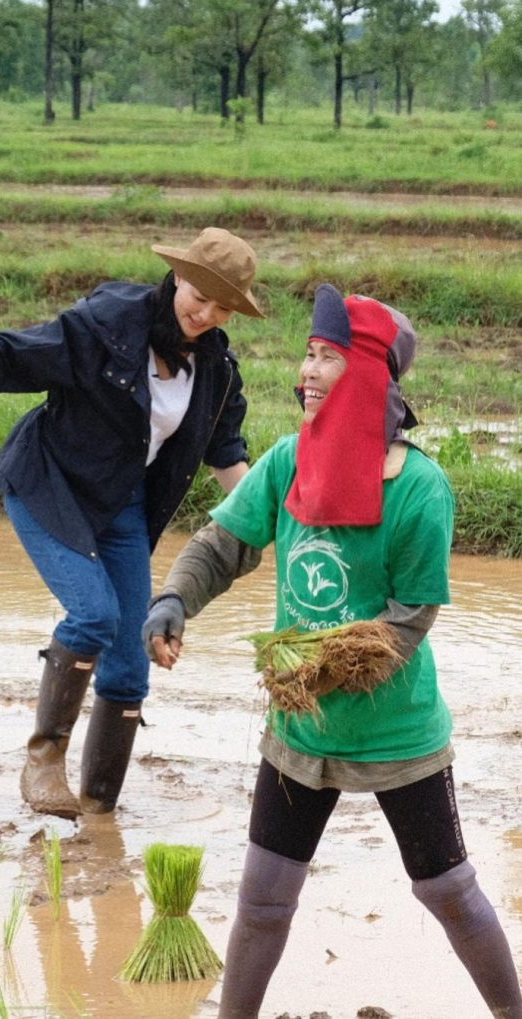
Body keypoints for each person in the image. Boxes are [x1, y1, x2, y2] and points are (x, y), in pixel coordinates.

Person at [142, 283, 522, 1019]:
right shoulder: (287, 461)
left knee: (445, 889)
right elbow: (224, 545)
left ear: (372, 375)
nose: (307, 371)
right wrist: (173, 599)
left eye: (328, 357)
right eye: (308, 355)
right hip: (299, 733)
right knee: (262, 901)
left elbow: (410, 619)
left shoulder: (420, 490)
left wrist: (318, 667)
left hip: (397, 732)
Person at [0, 227, 264, 821]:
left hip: (123, 505)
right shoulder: (111, 323)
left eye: (221, 306)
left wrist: (270, 523)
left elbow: (225, 451)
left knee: (131, 663)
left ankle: (99, 810)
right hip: (50, 485)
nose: (204, 313)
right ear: (177, 277)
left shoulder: (215, 369)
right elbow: (13, 351)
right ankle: (43, 761)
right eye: (198, 294)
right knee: (96, 616)